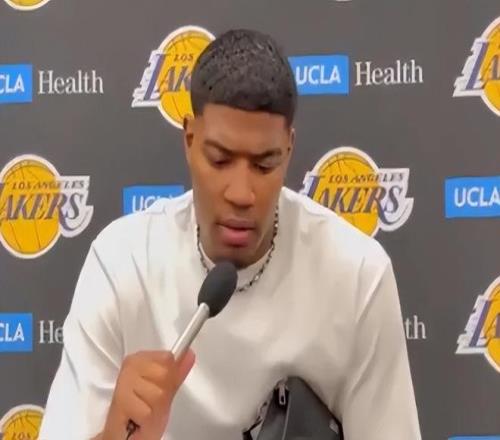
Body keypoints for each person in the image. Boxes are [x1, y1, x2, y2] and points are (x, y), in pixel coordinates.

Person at [39, 28, 422, 440]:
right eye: (220, 160)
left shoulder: (358, 274)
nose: (241, 194)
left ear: (289, 149)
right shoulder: (121, 263)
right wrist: (115, 436)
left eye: (264, 165)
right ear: (189, 139)